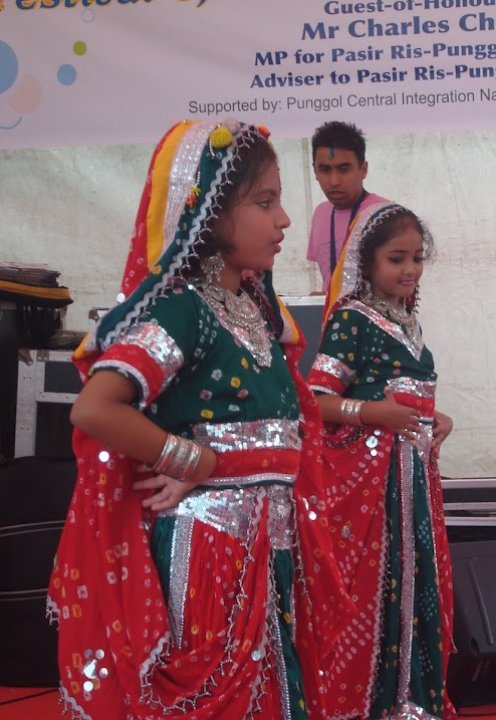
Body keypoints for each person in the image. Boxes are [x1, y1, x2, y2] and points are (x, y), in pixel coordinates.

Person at [48, 119, 347, 719]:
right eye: (265, 202)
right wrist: (193, 459)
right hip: (212, 549)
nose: (285, 220)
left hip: (269, 544)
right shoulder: (185, 310)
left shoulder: (255, 308)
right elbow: (96, 406)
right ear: (207, 213)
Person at [305, 201, 456, 719]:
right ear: (366, 262)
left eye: (417, 258)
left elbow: (406, 396)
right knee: (375, 589)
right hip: (370, 488)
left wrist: (436, 418)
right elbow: (316, 400)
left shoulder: (407, 320)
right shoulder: (353, 319)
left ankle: (408, 702)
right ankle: (365, 705)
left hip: (411, 480)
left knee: (414, 583)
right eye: (396, 259)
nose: (410, 269)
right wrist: (374, 413)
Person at [306, 121, 387, 292]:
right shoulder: (320, 214)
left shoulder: (385, 214)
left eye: (343, 169)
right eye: (325, 170)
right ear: (315, 171)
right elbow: (329, 278)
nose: (334, 181)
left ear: (363, 169)